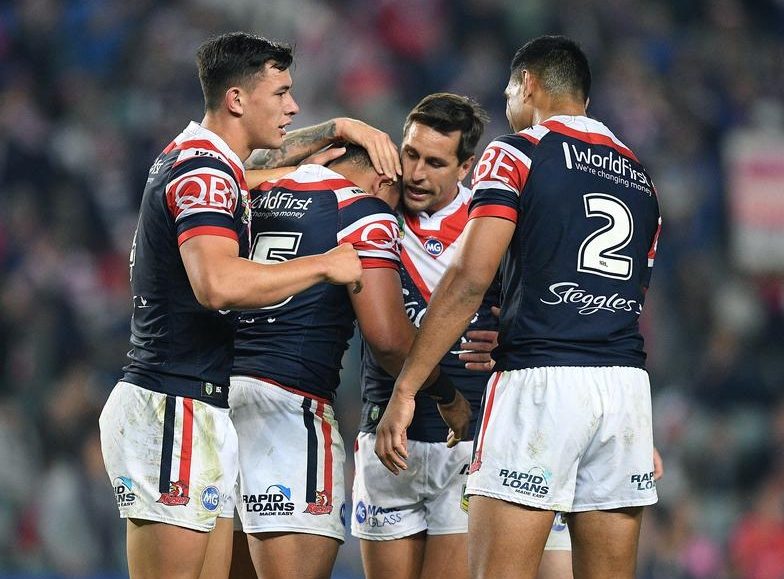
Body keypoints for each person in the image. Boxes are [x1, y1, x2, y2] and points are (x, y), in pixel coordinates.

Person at [376, 35, 663, 579]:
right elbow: (626, 298)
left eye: (510, 93)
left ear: (526, 84)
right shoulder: (641, 177)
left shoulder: (517, 151)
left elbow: (468, 278)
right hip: (625, 390)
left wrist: (407, 388)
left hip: (542, 385)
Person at [97, 32, 366, 579]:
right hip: (170, 402)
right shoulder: (205, 172)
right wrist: (323, 265)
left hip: (197, 402)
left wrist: (330, 138)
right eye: (281, 93)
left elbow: (256, 170)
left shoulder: (201, 160)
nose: (293, 106)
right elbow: (216, 284)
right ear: (237, 99)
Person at [353, 92, 577, 579]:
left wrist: (510, 337)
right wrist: (344, 127)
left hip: (466, 442)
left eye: (435, 163)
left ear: (466, 166)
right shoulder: (372, 208)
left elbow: (555, 308)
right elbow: (263, 169)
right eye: (411, 154)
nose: (416, 174)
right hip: (385, 436)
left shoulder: (495, 220)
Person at [227, 144, 470, 579]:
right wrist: (446, 394)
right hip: (288, 409)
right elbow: (388, 340)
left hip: (217, 402)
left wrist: (331, 132)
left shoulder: (253, 193)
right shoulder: (364, 211)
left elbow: (231, 163)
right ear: (383, 179)